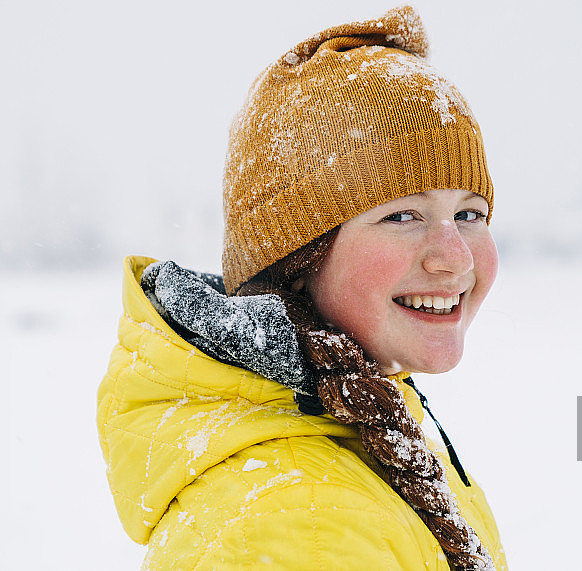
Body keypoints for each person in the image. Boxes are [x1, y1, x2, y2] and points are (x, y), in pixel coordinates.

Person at [97, 6, 507, 570]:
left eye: (469, 214)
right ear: (298, 259)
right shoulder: (299, 520)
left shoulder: (362, 420)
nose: (455, 258)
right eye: (401, 216)